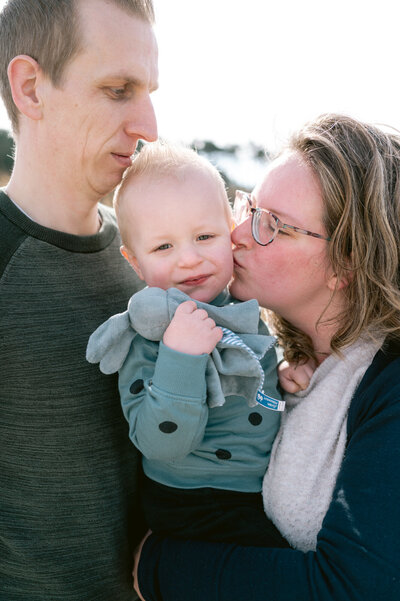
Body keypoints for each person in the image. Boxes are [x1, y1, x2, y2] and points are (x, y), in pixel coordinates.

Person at [134, 113, 400, 601]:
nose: (237, 233)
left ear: (347, 263)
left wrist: (153, 565)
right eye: (250, 208)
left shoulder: (391, 388)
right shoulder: (276, 356)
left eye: (272, 225)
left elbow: (353, 589)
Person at [0, 0, 158, 599]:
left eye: (148, 91)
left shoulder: (156, 265)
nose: (149, 124)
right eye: (118, 90)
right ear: (31, 88)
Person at [87, 140, 303, 548]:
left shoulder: (241, 306)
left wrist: (284, 372)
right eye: (164, 247)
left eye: (205, 236)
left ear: (230, 233)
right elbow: (160, 442)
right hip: (196, 502)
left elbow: (249, 370)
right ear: (134, 262)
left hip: (258, 492)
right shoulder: (148, 338)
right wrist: (180, 358)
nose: (189, 259)